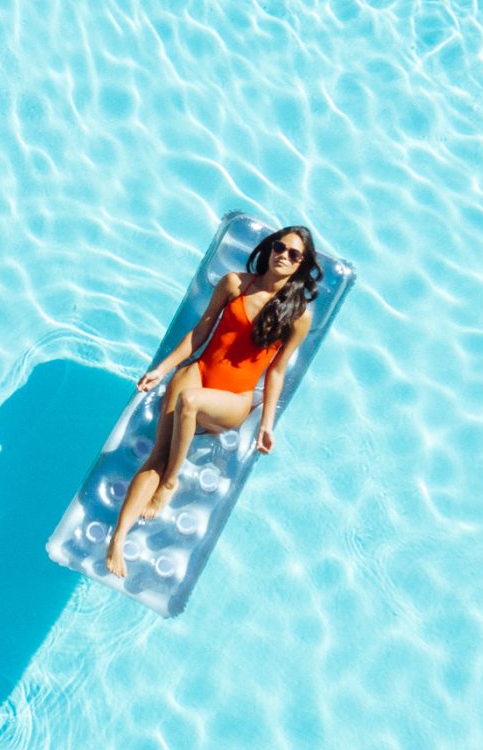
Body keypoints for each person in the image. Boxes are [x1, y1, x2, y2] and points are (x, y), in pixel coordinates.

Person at [104, 226, 323, 577]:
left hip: (232, 400)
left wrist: (266, 424)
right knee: (157, 453)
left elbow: (277, 372)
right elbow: (200, 332)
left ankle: (170, 482)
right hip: (199, 373)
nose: (283, 256)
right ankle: (118, 537)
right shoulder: (235, 284)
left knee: (190, 402)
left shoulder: (298, 316)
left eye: (294, 254)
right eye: (279, 248)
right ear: (269, 249)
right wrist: (161, 370)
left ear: (301, 265)